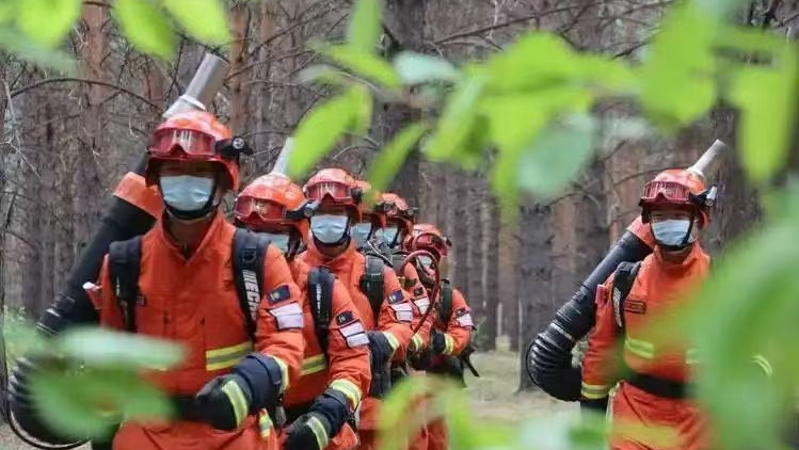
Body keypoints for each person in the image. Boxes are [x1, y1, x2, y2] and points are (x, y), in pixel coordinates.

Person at [88, 111, 305, 450]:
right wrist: (102, 428)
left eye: (199, 171)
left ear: (223, 179)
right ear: (156, 178)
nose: (185, 180)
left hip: (234, 437)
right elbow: (111, 362)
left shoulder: (258, 260)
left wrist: (249, 383)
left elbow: (286, 343)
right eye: (174, 170)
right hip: (144, 438)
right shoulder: (123, 263)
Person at [580, 168, 769, 450]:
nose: (669, 224)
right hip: (634, 420)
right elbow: (600, 355)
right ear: (648, 222)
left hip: (702, 424)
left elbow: (758, 354)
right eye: (660, 217)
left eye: (678, 216)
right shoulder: (625, 281)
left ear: (698, 219)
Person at [234, 172, 371, 450]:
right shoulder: (221, 287)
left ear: (297, 236)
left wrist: (327, 415)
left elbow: (354, 360)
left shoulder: (322, 289)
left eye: (276, 236)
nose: (264, 248)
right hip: (238, 433)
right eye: (254, 235)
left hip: (314, 431)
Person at [297, 168, 415, 450]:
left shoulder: (376, 274)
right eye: (321, 213)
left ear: (351, 218)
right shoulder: (290, 270)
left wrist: (380, 342)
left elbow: (403, 327)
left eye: (336, 213)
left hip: (370, 410)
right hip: (300, 412)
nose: (328, 221)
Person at [407, 223, 474, 450]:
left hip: (437, 380)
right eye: (419, 258)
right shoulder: (396, 290)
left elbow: (462, 333)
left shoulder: (448, 297)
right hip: (403, 380)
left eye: (430, 259)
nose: (425, 266)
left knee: (436, 438)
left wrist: (438, 341)